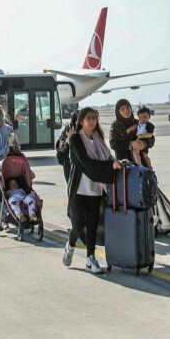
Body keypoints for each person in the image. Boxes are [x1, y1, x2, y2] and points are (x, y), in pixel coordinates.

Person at [64, 107, 122, 273]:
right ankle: (71, 245)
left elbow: (107, 156)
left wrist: (116, 161)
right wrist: (110, 166)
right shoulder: (75, 139)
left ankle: (90, 259)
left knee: (92, 226)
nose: (92, 121)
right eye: (88, 118)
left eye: (94, 118)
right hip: (79, 189)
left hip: (95, 189)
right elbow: (86, 163)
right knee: (77, 226)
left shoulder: (98, 139)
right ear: (81, 121)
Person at [109, 99, 146, 164]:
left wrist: (143, 144)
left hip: (141, 162)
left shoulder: (138, 122)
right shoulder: (115, 126)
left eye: (127, 107)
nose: (126, 110)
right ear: (118, 112)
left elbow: (150, 139)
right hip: (124, 164)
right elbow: (113, 145)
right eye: (122, 109)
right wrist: (130, 144)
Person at [55, 110, 79, 184]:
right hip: (69, 164)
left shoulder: (85, 131)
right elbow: (61, 149)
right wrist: (70, 138)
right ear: (75, 121)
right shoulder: (68, 130)